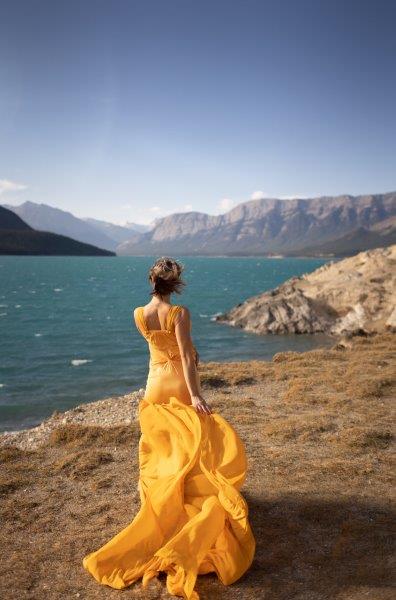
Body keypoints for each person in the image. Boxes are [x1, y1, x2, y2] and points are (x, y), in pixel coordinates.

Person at [82, 257, 256, 600]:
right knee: (198, 438)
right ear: (175, 284)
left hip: (153, 384)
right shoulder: (179, 314)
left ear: (152, 282)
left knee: (163, 445)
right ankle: (188, 498)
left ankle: (161, 495)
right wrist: (195, 395)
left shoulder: (137, 313)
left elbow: (157, 351)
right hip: (177, 383)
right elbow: (187, 357)